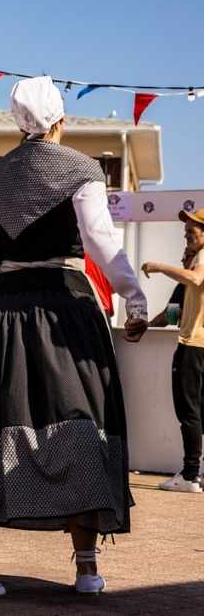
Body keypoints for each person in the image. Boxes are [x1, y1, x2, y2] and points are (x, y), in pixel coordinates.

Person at [0, 76, 148, 597]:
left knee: (3, 418)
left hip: (5, 309)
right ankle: (87, 568)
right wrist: (135, 302)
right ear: (60, 121)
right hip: (64, 306)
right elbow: (101, 243)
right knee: (82, 420)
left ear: (16, 122)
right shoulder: (82, 170)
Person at [141, 207, 204, 494]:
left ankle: (191, 475)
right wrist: (147, 324)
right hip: (195, 344)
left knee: (188, 411)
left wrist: (159, 267)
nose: (186, 233)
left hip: (193, 346)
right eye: (186, 229)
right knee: (197, 412)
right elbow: (174, 312)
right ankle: (195, 474)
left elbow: (195, 280)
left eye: (192, 229)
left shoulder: (200, 261)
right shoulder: (193, 262)